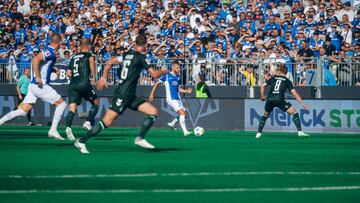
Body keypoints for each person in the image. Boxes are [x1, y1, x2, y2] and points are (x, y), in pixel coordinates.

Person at [74, 35, 168, 154]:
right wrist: (164, 71)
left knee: (153, 112)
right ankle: (82, 141)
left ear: (135, 44)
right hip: (123, 95)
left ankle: (140, 138)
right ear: (145, 45)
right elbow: (154, 74)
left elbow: (110, 61)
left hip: (130, 95)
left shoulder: (127, 55)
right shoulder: (141, 57)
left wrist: (104, 77)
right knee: (106, 122)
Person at [0, 35, 66, 140]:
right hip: (40, 85)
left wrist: (53, 69)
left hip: (33, 86)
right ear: (57, 43)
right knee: (62, 104)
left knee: (23, 111)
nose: (61, 46)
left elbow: (43, 64)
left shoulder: (49, 52)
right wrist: (39, 77)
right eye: (61, 44)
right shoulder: (51, 52)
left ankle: (0, 121)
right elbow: (35, 60)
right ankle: (53, 130)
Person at [256, 64, 309, 139]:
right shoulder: (287, 81)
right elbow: (295, 94)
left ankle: (258, 133)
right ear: (286, 72)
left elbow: (262, 86)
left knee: (265, 115)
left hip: (270, 99)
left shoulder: (273, 78)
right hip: (279, 100)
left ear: (279, 71)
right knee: (294, 113)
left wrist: (262, 96)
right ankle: (300, 132)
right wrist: (302, 104)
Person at [65, 39, 99, 141]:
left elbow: (68, 73)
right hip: (84, 83)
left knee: (72, 109)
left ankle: (68, 128)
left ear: (80, 46)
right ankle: (88, 122)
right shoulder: (89, 55)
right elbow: (92, 63)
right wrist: (94, 78)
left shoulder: (74, 57)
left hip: (73, 85)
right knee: (96, 103)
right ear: (88, 46)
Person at [149, 61, 193, 136]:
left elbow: (178, 88)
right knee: (182, 112)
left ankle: (172, 123)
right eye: (177, 67)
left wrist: (186, 91)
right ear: (173, 67)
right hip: (171, 98)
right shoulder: (166, 76)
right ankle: (185, 132)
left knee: (184, 114)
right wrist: (151, 94)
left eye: (179, 68)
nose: (179, 69)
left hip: (177, 98)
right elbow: (157, 83)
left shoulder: (178, 77)